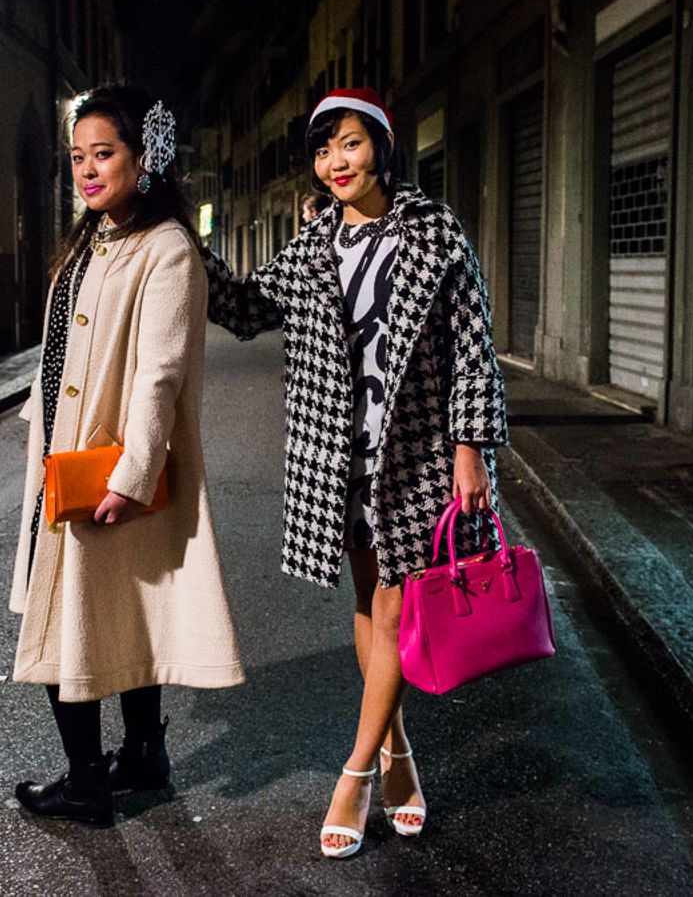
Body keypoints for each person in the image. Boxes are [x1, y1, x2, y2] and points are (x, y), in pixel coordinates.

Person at [201, 88, 507, 859]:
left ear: (382, 146)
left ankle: (357, 770)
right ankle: (400, 754)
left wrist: (471, 444)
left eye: (349, 144)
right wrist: (178, 229)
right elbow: (241, 308)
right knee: (372, 604)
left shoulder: (433, 230)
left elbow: (473, 340)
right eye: (322, 149)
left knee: (399, 603)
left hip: (416, 453)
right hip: (341, 456)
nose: (335, 162)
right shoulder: (309, 249)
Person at [9, 83, 244, 828]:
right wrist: (36, 421)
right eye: (77, 157)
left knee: (65, 618)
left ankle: (86, 781)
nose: (86, 169)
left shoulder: (166, 248)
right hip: (64, 450)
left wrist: (133, 474)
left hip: (107, 464)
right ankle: (143, 753)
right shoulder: (93, 237)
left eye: (103, 154)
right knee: (122, 611)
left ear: (146, 159)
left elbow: (160, 374)